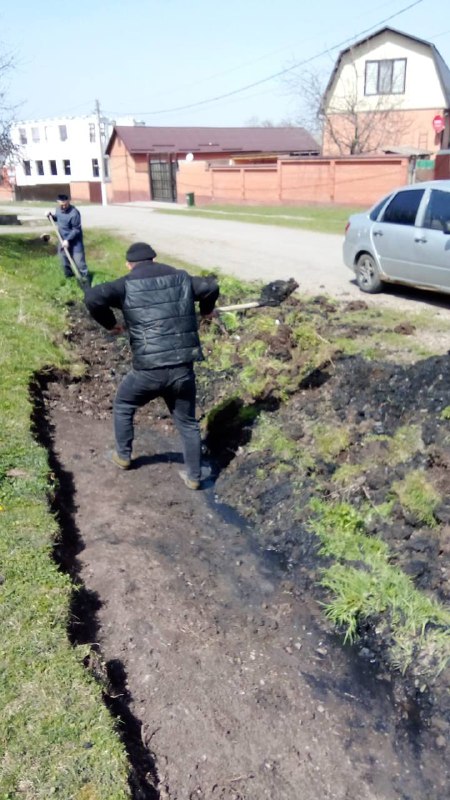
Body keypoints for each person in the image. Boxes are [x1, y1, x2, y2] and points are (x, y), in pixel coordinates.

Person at [84, 242, 219, 489]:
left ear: (128, 264)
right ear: (154, 259)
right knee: (187, 422)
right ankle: (194, 477)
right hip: (182, 370)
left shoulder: (125, 284)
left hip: (149, 370)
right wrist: (206, 310)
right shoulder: (181, 278)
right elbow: (210, 286)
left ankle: (123, 457)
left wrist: (110, 324)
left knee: (124, 405)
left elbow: (92, 297)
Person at [48, 194, 91, 284]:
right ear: (58, 203)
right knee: (64, 261)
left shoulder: (74, 213)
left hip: (75, 242)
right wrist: (50, 216)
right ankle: (70, 279)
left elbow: (76, 230)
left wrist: (67, 240)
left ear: (69, 202)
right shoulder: (58, 210)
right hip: (62, 240)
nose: (63, 207)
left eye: (65, 204)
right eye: (61, 205)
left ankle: (86, 281)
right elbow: (57, 218)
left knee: (80, 263)